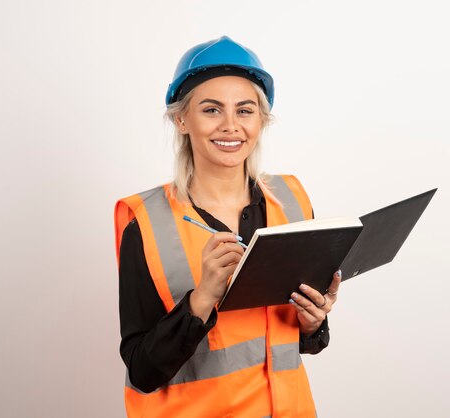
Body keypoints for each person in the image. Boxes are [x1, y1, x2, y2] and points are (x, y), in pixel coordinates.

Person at [114, 35, 342, 418]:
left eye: (245, 110)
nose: (231, 126)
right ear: (181, 119)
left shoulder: (291, 198)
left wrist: (312, 321)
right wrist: (202, 298)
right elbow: (142, 369)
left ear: (261, 120)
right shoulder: (146, 221)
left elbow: (298, 343)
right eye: (212, 110)